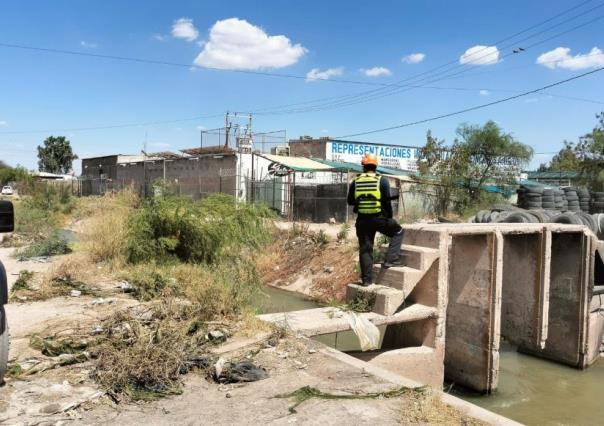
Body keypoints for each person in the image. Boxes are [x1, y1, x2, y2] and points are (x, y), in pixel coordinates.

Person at [347, 153, 404, 286]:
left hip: (362, 220)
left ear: (364, 167)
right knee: (398, 231)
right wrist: (389, 217)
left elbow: (350, 201)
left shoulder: (356, 181)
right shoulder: (381, 180)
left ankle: (366, 281)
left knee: (366, 249)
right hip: (379, 218)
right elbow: (386, 202)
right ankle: (391, 259)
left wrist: (361, 200)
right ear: (375, 166)